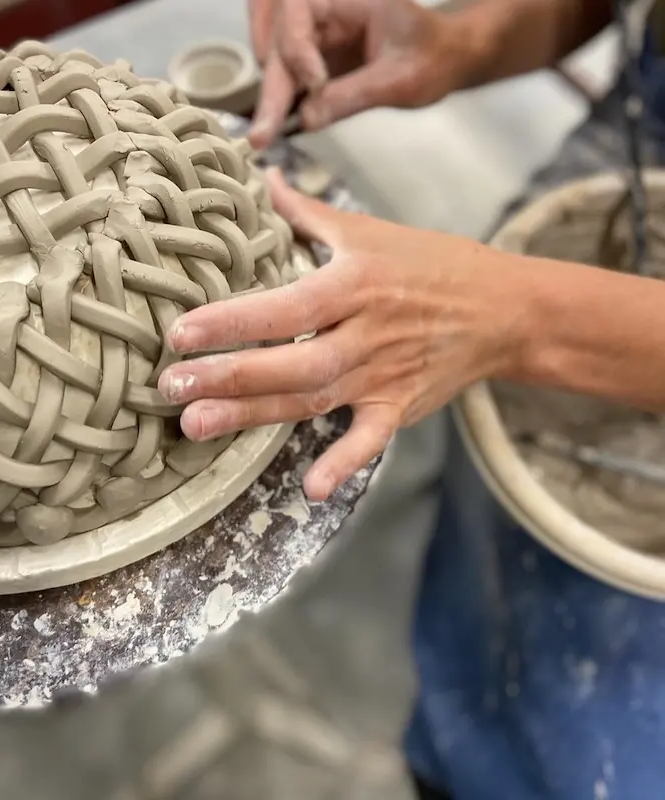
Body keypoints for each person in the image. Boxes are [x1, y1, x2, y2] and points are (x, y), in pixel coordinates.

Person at [157, 1, 665, 797]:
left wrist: (513, 314)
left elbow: (510, 317)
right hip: (643, 127)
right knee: (489, 626)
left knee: (595, 745)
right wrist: (465, 42)